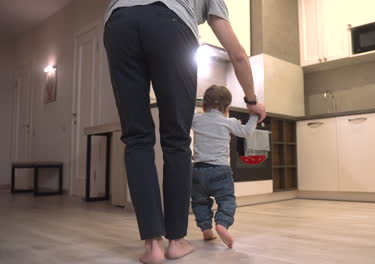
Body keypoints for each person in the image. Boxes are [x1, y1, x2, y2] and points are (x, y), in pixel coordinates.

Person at [103, 0, 266, 263]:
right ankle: (176, 241)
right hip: (170, 25)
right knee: (176, 141)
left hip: (117, 22)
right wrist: (250, 100)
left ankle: (151, 245)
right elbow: (237, 53)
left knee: (136, 138)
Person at [191, 85, 258, 248]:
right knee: (226, 200)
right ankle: (222, 223)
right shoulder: (228, 121)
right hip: (220, 171)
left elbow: (183, 115)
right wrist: (255, 115)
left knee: (199, 202)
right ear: (227, 107)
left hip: (197, 171)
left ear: (204, 105)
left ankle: (206, 229)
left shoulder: (196, 118)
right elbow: (247, 131)